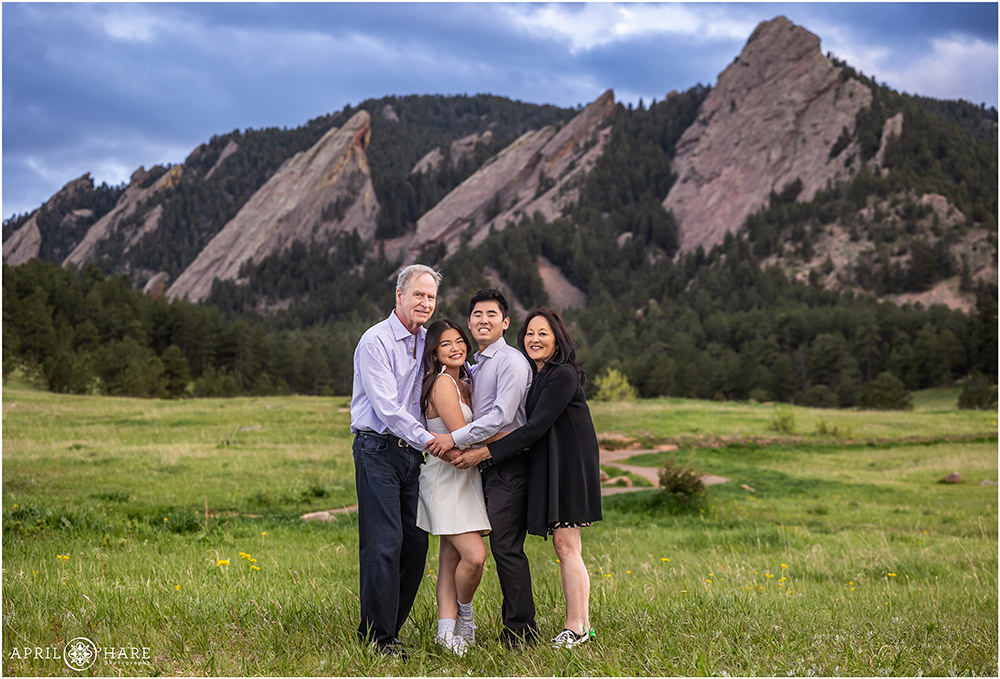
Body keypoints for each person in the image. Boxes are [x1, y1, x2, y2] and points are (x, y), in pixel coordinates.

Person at [455, 308, 602, 649]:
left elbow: (533, 429)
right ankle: (581, 624)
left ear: (557, 339)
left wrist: (483, 453)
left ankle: (577, 628)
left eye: (543, 334)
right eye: (530, 335)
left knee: (567, 546)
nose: (534, 340)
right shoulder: (540, 375)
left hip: (569, 467)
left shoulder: (563, 375)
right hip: (551, 465)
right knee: (564, 545)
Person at [426, 289, 537, 648]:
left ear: (505, 322)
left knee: (502, 548)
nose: (483, 320)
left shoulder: (511, 362)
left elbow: (503, 416)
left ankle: (518, 631)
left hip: (503, 463)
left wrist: (457, 439)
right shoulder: (472, 368)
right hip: (466, 469)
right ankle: (452, 628)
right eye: (477, 315)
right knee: (459, 552)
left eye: (492, 314)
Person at [349, 264, 442, 657]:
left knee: (416, 545)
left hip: (411, 457)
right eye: (418, 294)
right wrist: (434, 441)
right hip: (377, 450)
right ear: (399, 296)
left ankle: (387, 628)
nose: (425, 303)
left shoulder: (427, 341)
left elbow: (453, 371)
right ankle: (379, 638)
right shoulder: (375, 341)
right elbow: (387, 408)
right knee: (383, 543)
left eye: (431, 297)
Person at [415, 319, 491, 657]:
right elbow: (463, 435)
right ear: (434, 351)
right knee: (474, 557)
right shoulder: (444, 383)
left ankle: (445, 633)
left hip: (466, 478)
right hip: (446, 478)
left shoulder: (465, 382)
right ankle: (465, 615)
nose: (456, 347)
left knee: (450, 558)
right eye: (446, 344)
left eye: (460, 340)